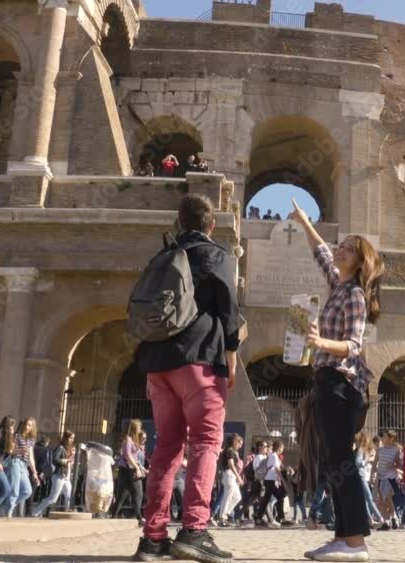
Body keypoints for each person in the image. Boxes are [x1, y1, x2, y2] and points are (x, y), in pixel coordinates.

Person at [132, 193, 243, 563]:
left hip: (157, 363)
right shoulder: (217, 255)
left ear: (179, 224)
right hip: (200, 361)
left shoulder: (161, 256)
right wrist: (231, 353)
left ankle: (153, 539)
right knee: (207, 442)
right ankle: (194, 530)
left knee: (166, 446)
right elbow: (229, 311)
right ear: (211, 224)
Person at [289, 198, 384, 562]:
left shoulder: (356, 295)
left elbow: (353, 345)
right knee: (333, 461)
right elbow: (320, 253)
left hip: (342, 383)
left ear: (360, 261)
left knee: (341, 460)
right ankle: (344, 536)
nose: (339, 250)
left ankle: (356, 540)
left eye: (347, 249)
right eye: (341, 246)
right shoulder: (338, 286)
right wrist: (302, 221)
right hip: (327, 380)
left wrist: (318, 342)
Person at [32, 430, 76, 516]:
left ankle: (67, 512)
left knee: (68, 496)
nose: (72, 440)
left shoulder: (67, 448)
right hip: (59, 475)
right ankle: (35, 511)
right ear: (65, 438)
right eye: (70, 438)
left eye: (73, 438)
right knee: (52, 498)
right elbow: (55, 459)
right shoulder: (60, 447)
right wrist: (65, 461)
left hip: (65, 476)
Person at [5, 418, 39, 518]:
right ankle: (8, 512)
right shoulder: (16, 435)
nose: (27, 427)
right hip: (15, 462)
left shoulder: (31, 440)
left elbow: (31, 457)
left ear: (33, 427)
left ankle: (9, 505)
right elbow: (10, 451)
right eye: (26, 424)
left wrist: (34, 472)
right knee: (14, 489)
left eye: (30, 425)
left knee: (27, 491)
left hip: (24, 465)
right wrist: (20, 451)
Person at [116, 421, 148, 524]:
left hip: (129, 469)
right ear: (135, 428)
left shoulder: (134, 440)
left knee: (122, 495)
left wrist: (142, 468)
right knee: (137, 494)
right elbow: (128, 455)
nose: (140, 429)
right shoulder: (128, 439)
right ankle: (139, 518)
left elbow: (135, 458)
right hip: (128, 470)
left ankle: (113, 514)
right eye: (139, 427)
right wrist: (137, 468)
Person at [374, 431, 402, 531]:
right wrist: (371, 478)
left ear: (391, 439)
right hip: (380, 478)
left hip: (391, 478)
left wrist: (393, 466)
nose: (383, 438)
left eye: (385, 436)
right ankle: (387, 522)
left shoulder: (396, 450)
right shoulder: (379, 450)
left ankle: (394, 518)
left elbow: (399, 464)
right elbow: (374, 464)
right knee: (382, 501)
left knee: (387, 499)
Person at [355, 432, 384, 527]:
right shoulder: (361, 450)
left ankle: (370, 519)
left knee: (365, 499)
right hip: (361, 476)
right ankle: (379, 518)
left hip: (360, 476)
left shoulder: (360, 449)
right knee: (369, 498)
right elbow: (358, 462)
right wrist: (366, 460)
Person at [216, 434, 244, 527]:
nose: (240, 446)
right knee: (227, 496)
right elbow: (231, 464)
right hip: (229, 474)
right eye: (239, 443)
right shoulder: (230, 451)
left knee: (237, 497)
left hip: (231, 475)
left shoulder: (232, 451)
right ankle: (222, 518)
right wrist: (238, 477)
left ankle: (225, 514)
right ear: (235, 442)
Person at [259, 441, 286, 526]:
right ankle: (281, 517)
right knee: (280, 497)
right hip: (270, 480)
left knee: (266, 500)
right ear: (279, 447)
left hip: (270, 480)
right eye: (282, 447)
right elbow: (277, 469)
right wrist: (283, 481)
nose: (283, 449)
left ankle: (258, 517)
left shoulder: (274, 456)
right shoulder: (274, 456)